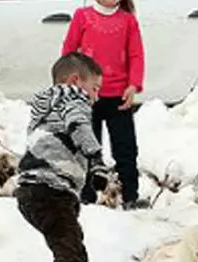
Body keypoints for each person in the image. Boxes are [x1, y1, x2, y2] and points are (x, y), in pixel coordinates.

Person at [14, 52, 112, 262]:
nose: (95, 98)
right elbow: (79, 126)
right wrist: (96, 161)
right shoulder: (73, 98)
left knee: (74, 248)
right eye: (94, 89)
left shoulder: (46, 107)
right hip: (49, 191)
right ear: (74, 81)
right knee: (69, 250)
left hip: (35, 191)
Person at [61, 0, 146, 210]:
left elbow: (136, 55)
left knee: (125, 148)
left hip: (119, 98)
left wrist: (133, 85)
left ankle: (130, 196)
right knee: (87, 149)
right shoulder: (82, 16)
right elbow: (69, 52)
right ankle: (86, 197)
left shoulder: (128, 21)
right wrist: (70, 85)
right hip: (87, 97)